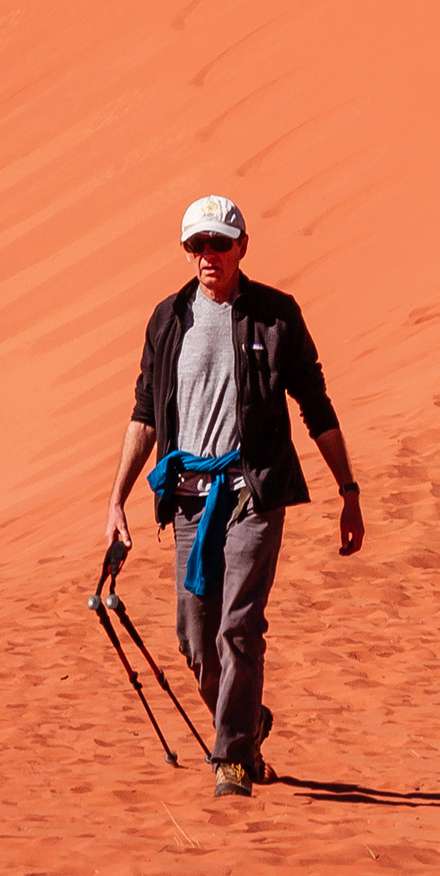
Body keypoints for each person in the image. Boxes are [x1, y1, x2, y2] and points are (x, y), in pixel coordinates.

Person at [103, 195, 364, 797]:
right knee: (195, 640)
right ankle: (246, 721)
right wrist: (115, 499)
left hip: (253, 493)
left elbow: (315, 405)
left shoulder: (275, 316)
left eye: (218, 243)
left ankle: (234, 763)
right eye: (197, 246)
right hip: (191, 502)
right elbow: (144, 415)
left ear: (242, 246)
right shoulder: (169, 320)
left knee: (238, 627)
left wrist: (347, 490)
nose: (207, 256)